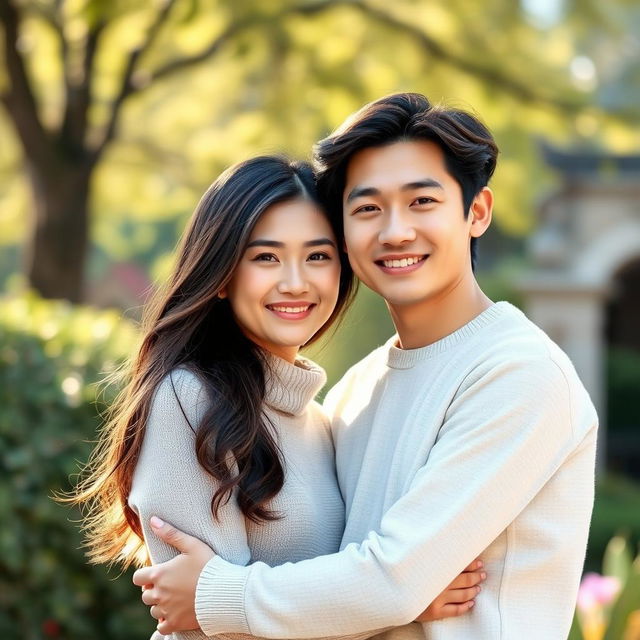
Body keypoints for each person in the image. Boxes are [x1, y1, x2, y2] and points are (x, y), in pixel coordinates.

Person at [133, 94, 598, 640]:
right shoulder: (352, 393)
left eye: (422, 201)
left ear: (477, 212)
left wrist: (220, 596)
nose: (395, 231)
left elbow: (390, 578)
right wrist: (397, 600)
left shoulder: (520, 374)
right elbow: (373, 582)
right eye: (368, 208)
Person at [70, 154, 485, 640]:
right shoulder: (190, 399)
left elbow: (290, 591)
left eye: (317, 256)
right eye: (265, 257)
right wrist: (399, 606)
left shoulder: (319, 421)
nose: (295, 282)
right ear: (223, 273)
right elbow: (215, 626)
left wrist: (390, 596)